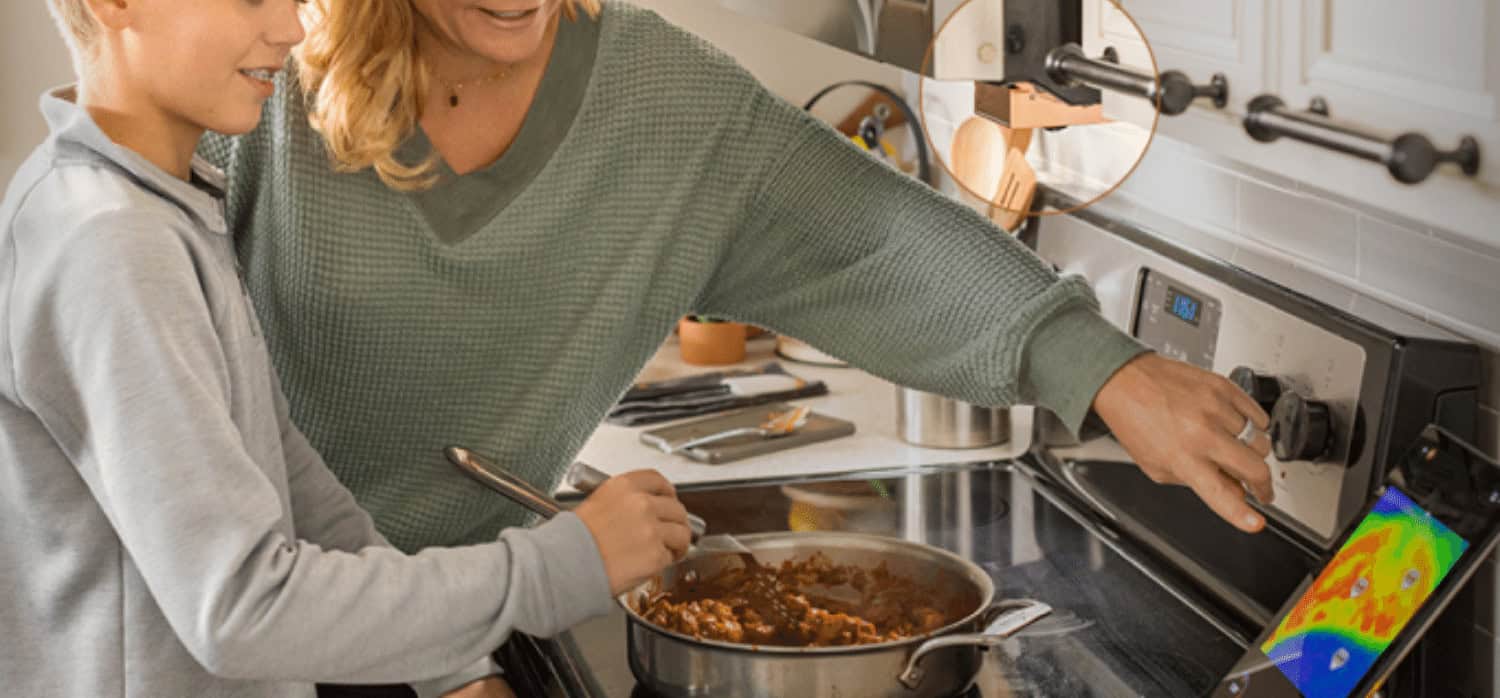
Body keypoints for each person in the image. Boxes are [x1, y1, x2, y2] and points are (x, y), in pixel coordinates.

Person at [203, 0, 1276, 694]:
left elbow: (866, 233)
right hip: (246, 626)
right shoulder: (263, 87)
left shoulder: (665, 99)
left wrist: (1102, 364)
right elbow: (148, 374)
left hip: (474, 613)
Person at [0, 1, 693, 697]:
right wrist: (561, 565)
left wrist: (446, 668)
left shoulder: (164, 208)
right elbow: (240, 608)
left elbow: (299, 492)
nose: (291, 28)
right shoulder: (112, 243)